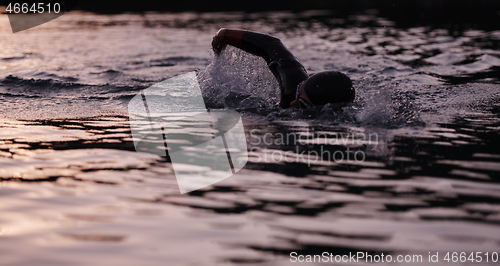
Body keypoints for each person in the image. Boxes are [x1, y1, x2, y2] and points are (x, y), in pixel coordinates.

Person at [211, 28, 355, 109]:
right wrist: (222, 35)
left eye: (302, 103)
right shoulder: (292, 88)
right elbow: (270, 44)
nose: (292, 102)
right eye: (299, 90)